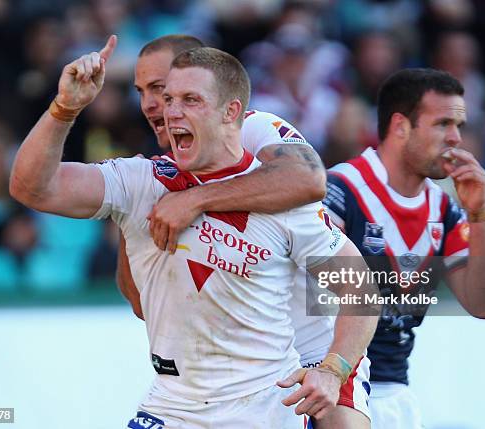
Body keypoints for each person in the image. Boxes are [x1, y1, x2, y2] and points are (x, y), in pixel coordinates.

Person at [9, 38, 378, 428]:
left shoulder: (275, 172)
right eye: (162, 97)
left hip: (271, 400)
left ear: (231, 111)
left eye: (188, 99)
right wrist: (65, 108)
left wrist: (333, 369)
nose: (165, 110)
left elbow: (360, 287)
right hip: (172, 406)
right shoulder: (141, 180)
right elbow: (32, 187)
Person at [118, 34, 373, 428]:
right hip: (244, 370)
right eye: (145, 92)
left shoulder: (253, 127)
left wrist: (197, 200)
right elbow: (139, 302)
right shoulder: (157, 173)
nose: (155, 104)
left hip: (318, 339)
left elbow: (308, 179)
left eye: (163, 89)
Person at [322, 68, 485, 429]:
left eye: (459, 126)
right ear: (401, 125)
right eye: (442, 124)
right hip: (333, 383)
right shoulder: (338, 190)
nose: (455, 138)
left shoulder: (444, 209)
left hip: (396, 390)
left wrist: (478, 214)